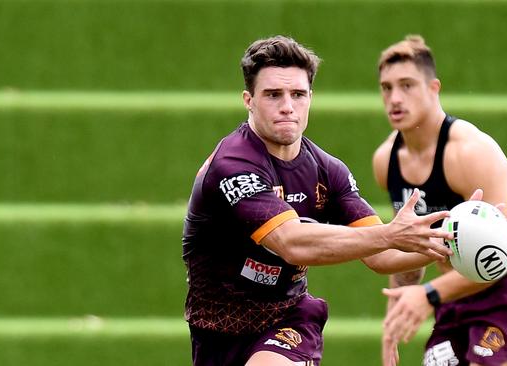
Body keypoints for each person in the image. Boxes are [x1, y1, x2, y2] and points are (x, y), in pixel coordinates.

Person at [181, 35, 457, 366]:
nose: (287, 105)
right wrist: (391, 234)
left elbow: (382, 256)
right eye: (273, 95)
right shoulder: (233, 164)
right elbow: (292, 243)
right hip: (215, 331)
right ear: (248, 100)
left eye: (298, 94)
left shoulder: (327, 170)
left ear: (310, 97)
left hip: (289, 320)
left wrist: (451, 241)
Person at [372, 35, 507, 366]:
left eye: (407, 85)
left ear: (433, 88)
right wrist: (393, 321)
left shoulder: (470, 152)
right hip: (455, 297)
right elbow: (410, 250)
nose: (395, 98)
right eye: (386, 88)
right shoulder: (386, 161)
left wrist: (428, 295)